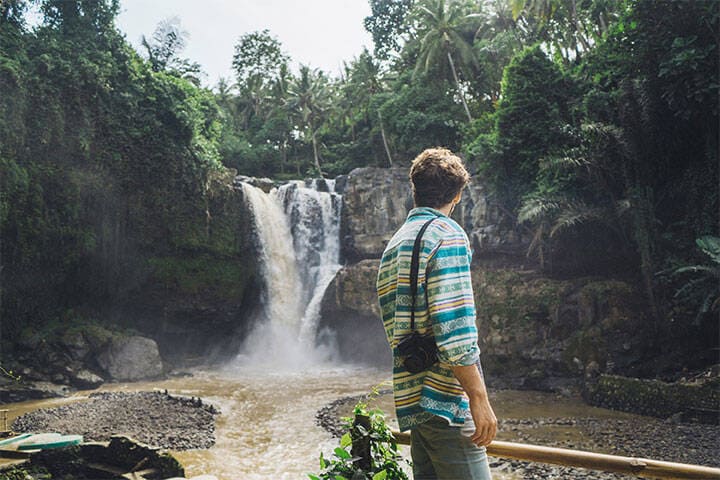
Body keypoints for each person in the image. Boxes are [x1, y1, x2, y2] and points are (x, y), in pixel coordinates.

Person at [376, 147, 497, 480]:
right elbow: (454, 329)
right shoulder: (448, 236)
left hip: (414, 400)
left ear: (414, 190)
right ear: (457, 196)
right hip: (446, 403)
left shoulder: (394, 244)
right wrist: (479, 398)